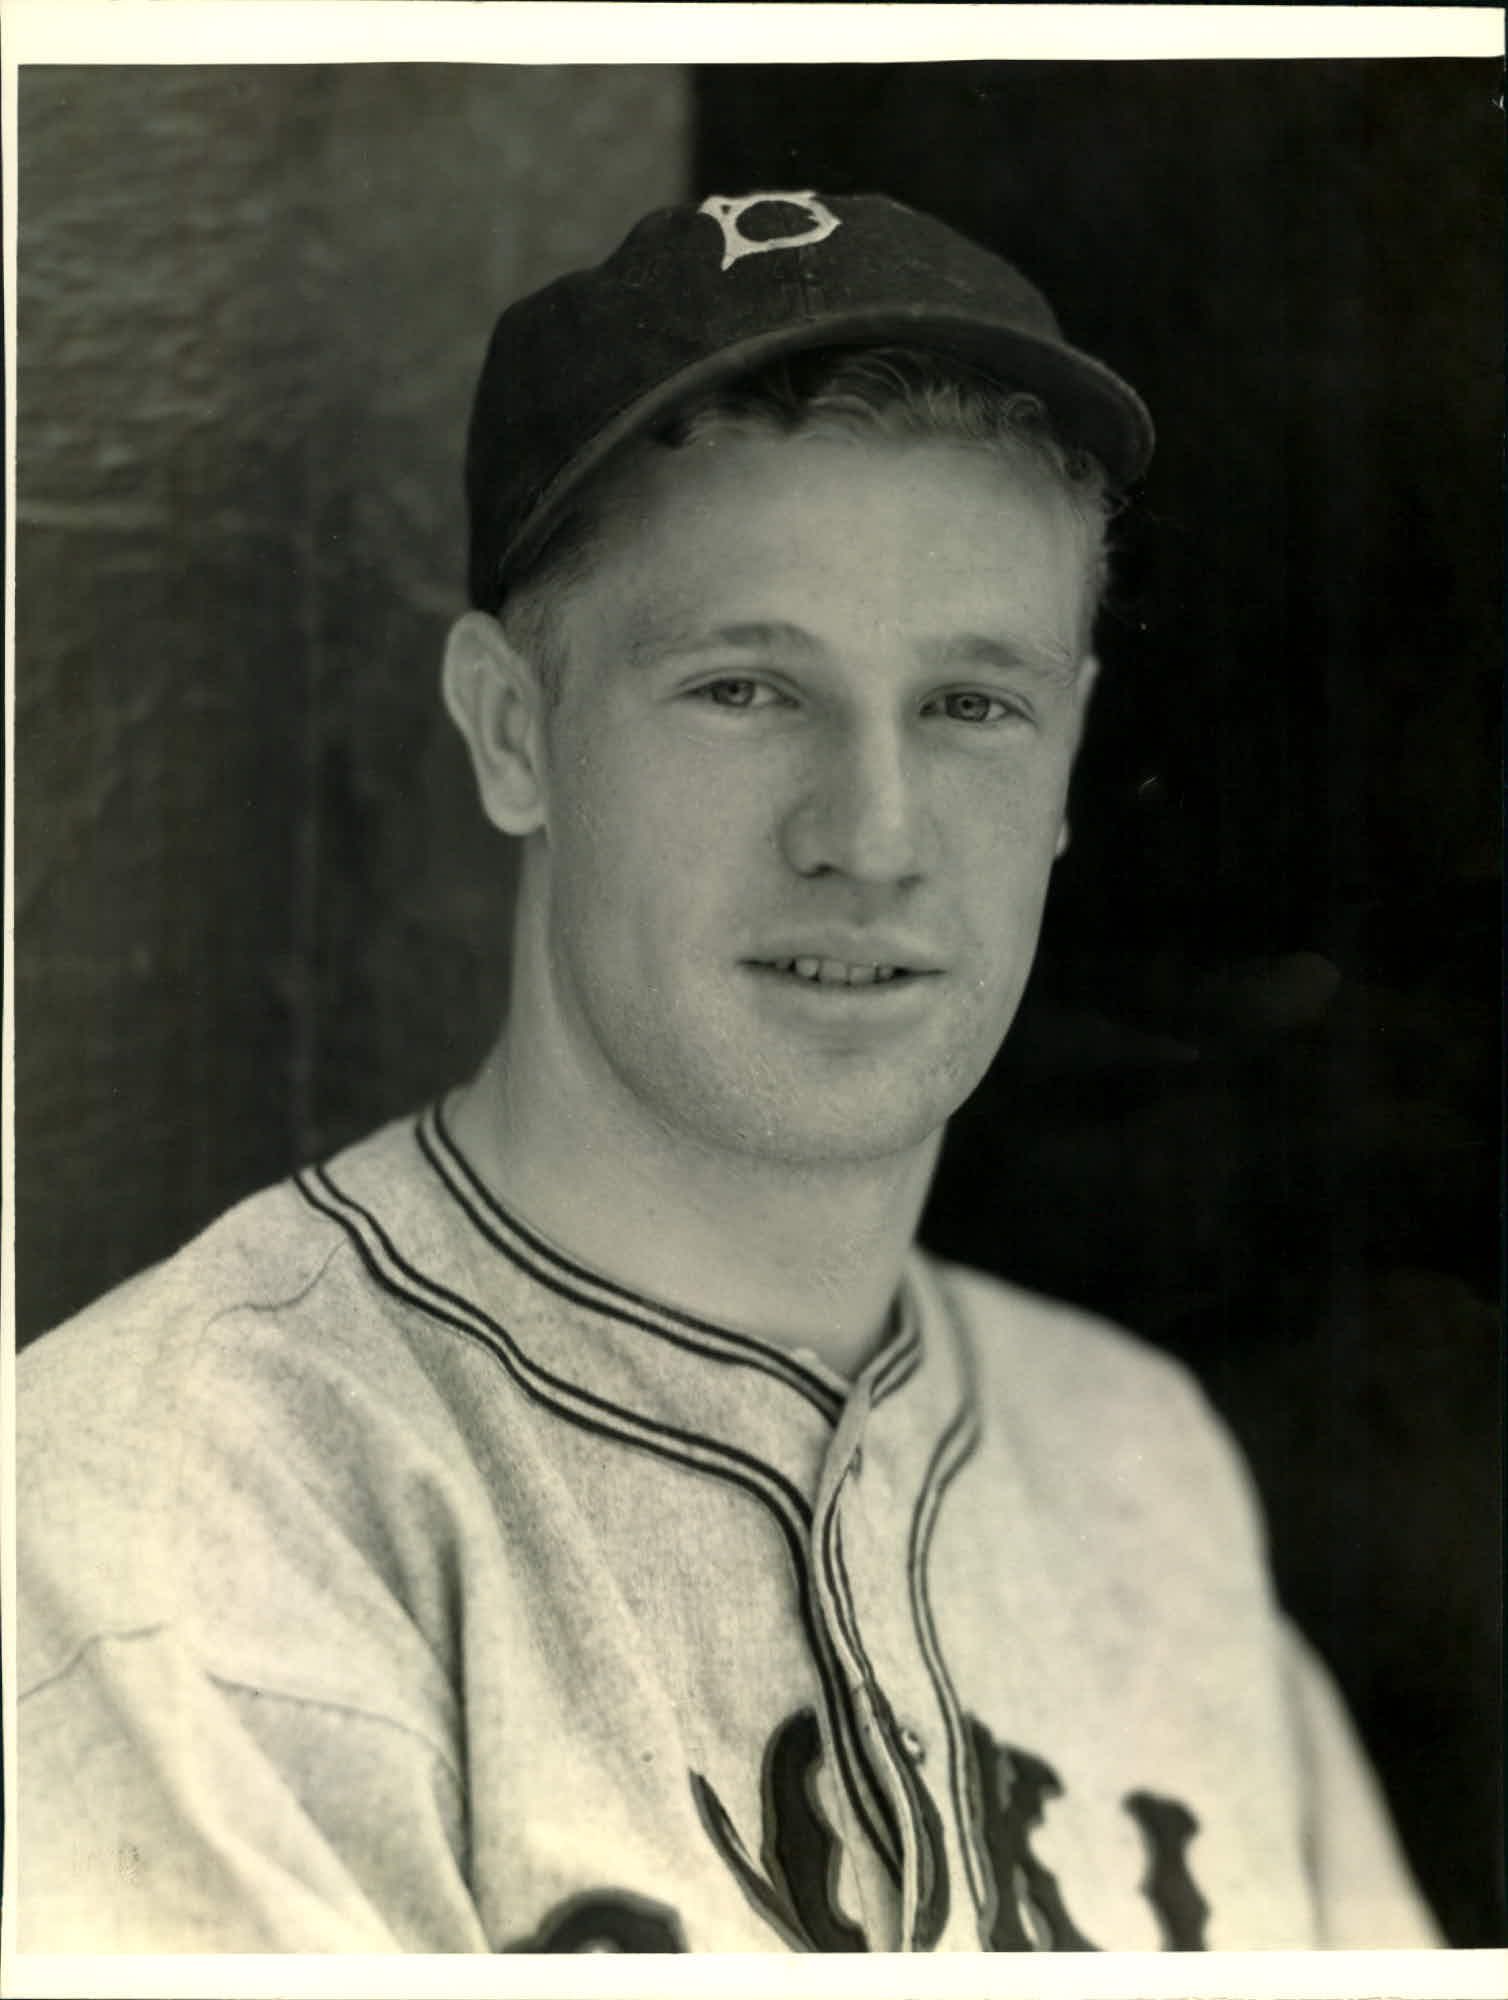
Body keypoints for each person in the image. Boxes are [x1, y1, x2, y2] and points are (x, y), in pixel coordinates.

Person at [16, 190, 1439, 1955]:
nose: (874, 833)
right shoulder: (182, 1495)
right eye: (746, 689)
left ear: (1070, 766)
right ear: (514, 732)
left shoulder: (1136, 1462)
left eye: (971, 706)